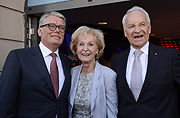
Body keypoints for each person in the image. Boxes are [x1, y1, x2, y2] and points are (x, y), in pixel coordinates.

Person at [111, 6, 180, 118]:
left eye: (142, 24)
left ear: (149, 28)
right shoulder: (117, 60)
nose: (137, 30)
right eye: (131, 26)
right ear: (125, 31)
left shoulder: (170, 56)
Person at [0, 11, 72, 118]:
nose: (57, 30)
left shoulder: (67, 63)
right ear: (39, 31)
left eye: (61, 28)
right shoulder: (18, 57)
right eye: (51, 26)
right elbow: (5, 101)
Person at [69, 26, 118, 118]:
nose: (85, 49)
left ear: (97, 49)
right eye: (81, 44)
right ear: (76, 49)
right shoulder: (72, 73)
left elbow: (112, 112)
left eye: (90, 44)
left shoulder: (108, 75)